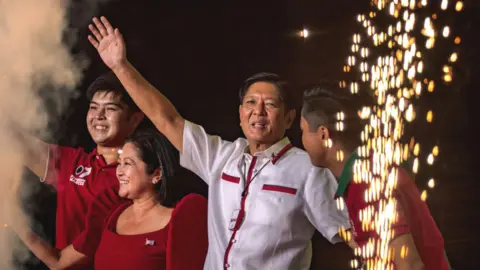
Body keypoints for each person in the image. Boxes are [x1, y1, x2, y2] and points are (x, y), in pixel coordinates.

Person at [86, 16, 350, 270]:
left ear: (289, 117)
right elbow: (167, 120)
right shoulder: (221, 157)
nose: (258, 111)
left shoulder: (308, 170)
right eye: (250, 103)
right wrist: (121, 67)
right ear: (240, 114)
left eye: (270, 105)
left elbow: (352, 237)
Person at [300, 85, 450, 269]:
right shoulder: (364, 173)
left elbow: (410, 265)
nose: (303, 140)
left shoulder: (367, 182)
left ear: (323, 135)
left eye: (304, 131)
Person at [13, 129, 208, 270]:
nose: (119, 171)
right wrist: (13, 220)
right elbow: (58, 262)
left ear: (156, 174)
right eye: (120, 163)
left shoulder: (179, 222)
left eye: (128, 163)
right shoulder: (110, 212)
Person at [13, 72, 144, 268]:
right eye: (93, 108)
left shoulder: (137, 176)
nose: (98, 116)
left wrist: (12, 221)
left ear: (134, 120)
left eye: (110, 109)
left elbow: (60, 263)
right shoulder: (73, 161)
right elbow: (16, 140)